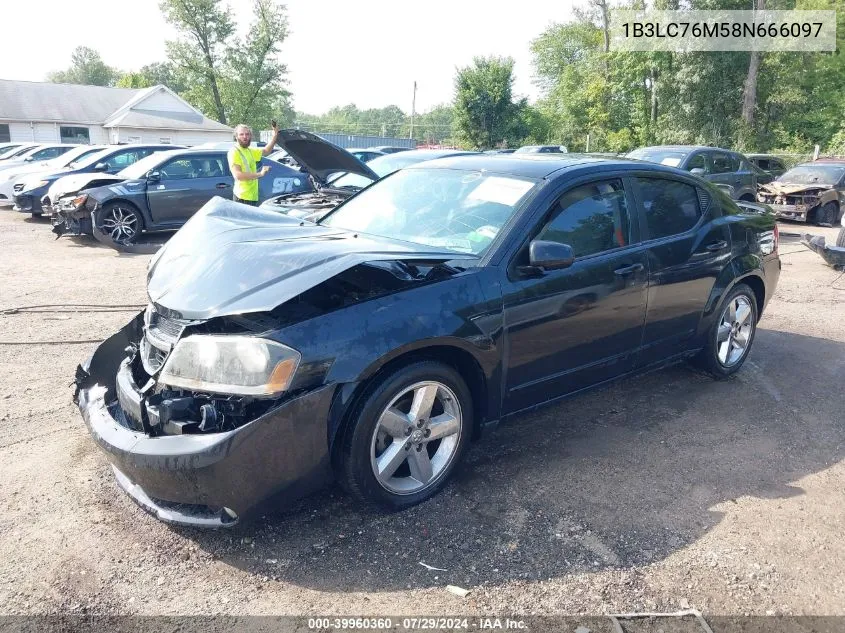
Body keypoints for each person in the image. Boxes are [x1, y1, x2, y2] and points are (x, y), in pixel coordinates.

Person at [227, 121, 280, 205]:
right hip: (242, 197)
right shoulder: (234, 151)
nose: (245, 137)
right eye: (241, 134)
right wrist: (260, 174)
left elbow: (266, 151)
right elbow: (238, 175)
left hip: (252, 196)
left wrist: (275, 135)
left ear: (250, 136)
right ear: (236, 137)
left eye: (247, 134)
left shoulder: (249, 150)